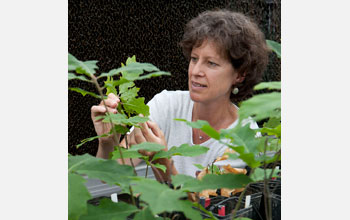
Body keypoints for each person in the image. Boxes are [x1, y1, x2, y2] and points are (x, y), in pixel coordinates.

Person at [91, 9, 269, 181]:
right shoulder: (167, 105)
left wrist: (164, 161)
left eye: (211, 63)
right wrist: (107, 142)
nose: (196, 71)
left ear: (240, 74)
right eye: (194, 59)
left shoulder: (245, 136)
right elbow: (110, 176)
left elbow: (205, 207)